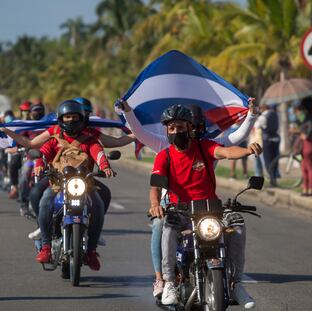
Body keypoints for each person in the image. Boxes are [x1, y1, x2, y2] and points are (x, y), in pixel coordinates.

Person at [117, 99, 258, 301]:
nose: (176, 131)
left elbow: (226, 152)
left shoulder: (205, 147)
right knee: (165, 228)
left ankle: (236, 283)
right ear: (167, 131)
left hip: (211, 209)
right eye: (172, 128)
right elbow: (155, 187)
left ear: (190, 128)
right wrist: (155, 205)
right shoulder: (164, 156)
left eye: (181, 127)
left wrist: (248, 151)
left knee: (237, 223)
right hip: (180, 211)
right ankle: (169, 283)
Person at [34, 100, 115, 270]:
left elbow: (98, 153)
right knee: (44, 203)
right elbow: (41, 154)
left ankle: (92, 250)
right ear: (61, 120)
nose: (71, 120)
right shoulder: (54, 140)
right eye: (67, 117)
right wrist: (39, 165)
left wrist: (105, 166)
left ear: (81, 118)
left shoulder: (89, 139)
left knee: (98, 205)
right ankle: (46, 246)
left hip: (85, 183)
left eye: (74, 117)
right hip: (58, 184)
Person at [295, 97, 312, 196]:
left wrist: (305, 135)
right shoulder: (308, 117)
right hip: (306, 144)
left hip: (309, 143)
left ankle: (310, 189)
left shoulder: (310, 118)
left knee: (309, 167)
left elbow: (310, 130)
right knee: (304, 167)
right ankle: (306, 188)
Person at [255, 104, 280, 186]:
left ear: (263, 108)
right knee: (275, 160)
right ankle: (275, 179)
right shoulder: (276, 114)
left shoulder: (263, 117)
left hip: (267, 140)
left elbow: (256, 126)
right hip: (276, 139)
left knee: (268, 161)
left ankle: (272, 180)